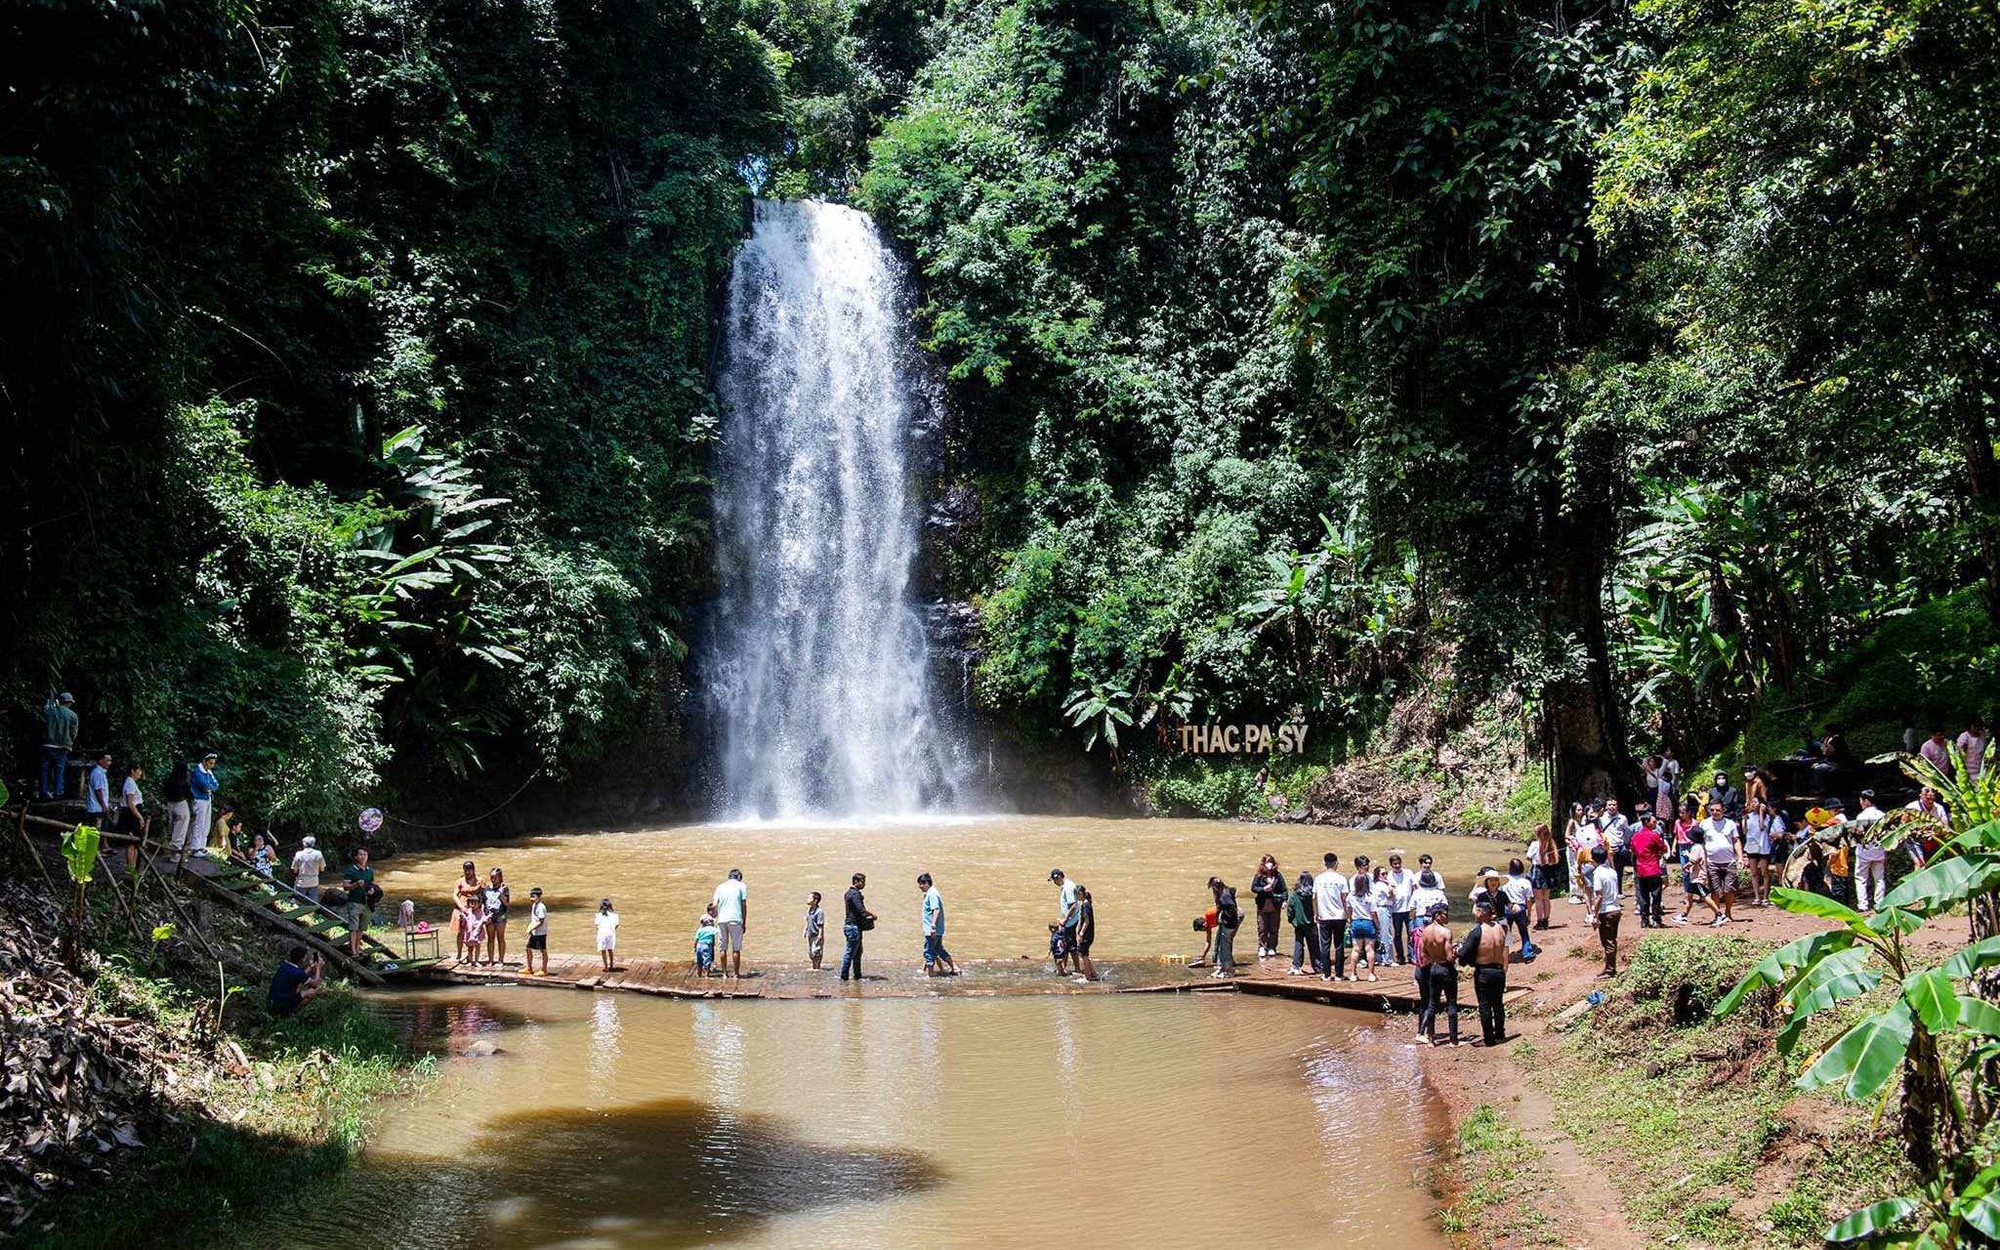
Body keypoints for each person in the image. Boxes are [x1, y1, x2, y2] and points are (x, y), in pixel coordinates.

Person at [1458, 898, 1509, 1046]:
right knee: (1498, 1004)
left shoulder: (1478, 931)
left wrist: (1460, 954)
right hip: (1499, 971)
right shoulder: (1501, 928)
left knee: (1485, 1005)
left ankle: (1489, 1038)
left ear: (1481, 913)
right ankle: (1500, 1033)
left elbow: (1464, 953)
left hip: (1484, 971)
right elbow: (1505, 948)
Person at [1415, 902, 1460, 1046]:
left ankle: (1430, 1039)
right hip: (1446, 968)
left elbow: (1423, 953)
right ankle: (1453, 1040)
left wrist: (1435, 956)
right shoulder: (1446, 932)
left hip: (1433, 968)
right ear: (1437, 916)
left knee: (1432, 1004)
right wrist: (1456, 952)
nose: (1448, 917)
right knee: (1451, 1003)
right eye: (1445, 914)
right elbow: (1449, 957)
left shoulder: (1425, 931)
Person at [1698, 799, 1742, 925]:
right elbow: (1700, 843)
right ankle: (1718, 914)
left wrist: (1740, 857)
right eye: (1712, 810)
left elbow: (1736, 841)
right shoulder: (1704, 824)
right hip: (1711, 862)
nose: (1715, 812)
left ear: (1723, 810)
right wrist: (1701, 860)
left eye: (1717, 810)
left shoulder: (1730, 824)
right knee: (1715, 891)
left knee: (1729, 890)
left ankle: (1728, 912)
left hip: (1729, 861)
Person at [1313, 852, 1350, 981]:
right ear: (1336, 864)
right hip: (1340, 916)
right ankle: (1339, 975)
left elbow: (1314, 897)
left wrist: (1315, 913)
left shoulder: (1318, 879)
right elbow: (1345, 899)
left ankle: (1326, 974)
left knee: (1325, 946)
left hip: (1324, 916)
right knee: (1339, 945)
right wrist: (1348, 915)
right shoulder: (1341, 879)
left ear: (1324, 863)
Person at [1586, 846, 1622, 979]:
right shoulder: (1612, 871)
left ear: (1593, 858)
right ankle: (1608, 967)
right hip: (1616, 909)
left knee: (1608, 942)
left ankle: (1610, 970)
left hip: (1606, 911)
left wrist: (1594, 914)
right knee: (1611, 940)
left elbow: (1599, 896)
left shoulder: (1598, 874)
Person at [1851, 789, 1889, 913]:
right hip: (1879, 850)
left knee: (1861, 878)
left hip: (1864, 851)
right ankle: (1879, 903)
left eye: (1861, 800)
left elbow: (1858, 833)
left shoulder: (1862, 816)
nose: (1861, 803)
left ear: (1866, 801)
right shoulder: (1882, 815)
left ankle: (1863, 905)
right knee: (1879, 878)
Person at [1630, 811, 1668, 928]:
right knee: (1656, 896)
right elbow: (1664, 848)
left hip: (1641, 870)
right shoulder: (1653, 836)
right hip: (1653, 870)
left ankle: (1644, 920)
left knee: (1643, 897)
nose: (1655, 824)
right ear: (1646, 822)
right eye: (1653, 822)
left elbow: (1633, 850)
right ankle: (1656, 919)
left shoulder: (1635, 837)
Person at [39, 692, 78, 800]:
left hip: (47, 744)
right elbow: (73, 732)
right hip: (62, 747)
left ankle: (43, 793)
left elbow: (42, 723)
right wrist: (69, 742)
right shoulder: (72, 715)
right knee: (59, 771)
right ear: (69, 703)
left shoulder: (49, 711)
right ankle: (57, 793)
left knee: (44, 770)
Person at [711, 868, 748, 979]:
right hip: (735, 919)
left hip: (722, 920)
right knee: (736, 948)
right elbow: (744, 905)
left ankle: (724, 973)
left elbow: (714, 905)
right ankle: (736, 974)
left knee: (723, 948)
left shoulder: (720, 887)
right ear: (739, 877)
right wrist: (744, 922)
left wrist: (714, 918)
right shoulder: (742, 886)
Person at [919, 872, 957, 976]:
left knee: (929, 952)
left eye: (921, 884)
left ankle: (930, 976)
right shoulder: (932, 893)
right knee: (938, 950)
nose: (920, 887)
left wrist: (933, 926)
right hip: (937, 929)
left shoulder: (932, 894)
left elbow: (936, 909)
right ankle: (954, 968)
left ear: (926, 883)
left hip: (932, 930)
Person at [267, 947, 324, 1017]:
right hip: (282, 1005)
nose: (307, 959)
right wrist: (318, 968)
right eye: (306, 957)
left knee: (299, 989)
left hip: (272, 1001)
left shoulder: (284, 966)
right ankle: (292, 1013)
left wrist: (309, 967)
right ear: (302, 959)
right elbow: (316, 984)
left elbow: (300, 976)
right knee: (311, 991)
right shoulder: (298, 973)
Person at [1742, 798, 1778, 907]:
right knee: (1754, 873)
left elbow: (1762, 827)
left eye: (1755, 802)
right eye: (1752, 802)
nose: (1753, 804)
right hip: (1752, 846)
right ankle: (1757, 896)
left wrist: (1762, 812)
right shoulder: (1748, 817)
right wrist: (1744, 820)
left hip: (1763, 846)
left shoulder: (1767, 817)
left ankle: (1765, 897)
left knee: (1765, 873)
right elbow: (1744, 831)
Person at [342, 847, 376, 958]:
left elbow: (372, 885)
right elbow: (345, 887)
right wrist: (356, 885)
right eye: (360, 854)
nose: (363, 857)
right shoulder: (350, 870)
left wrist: (372, 890)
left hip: (367, 902)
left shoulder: (370, 871)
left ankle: (357, 947)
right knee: (353, 927)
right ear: (356, 857)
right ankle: (353, 950)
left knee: (362, 928)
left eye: (365, 854)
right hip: (354, 902)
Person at [1383, 851, 1416, 964]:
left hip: (1409, 908)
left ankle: (1411, 956)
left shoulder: (1409, 873)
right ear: (1391, 865)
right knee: (1397, 934)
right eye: (1394, 864)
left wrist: (1415, 905)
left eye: (1398, 863)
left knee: (1411, 933)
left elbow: (1414, 888)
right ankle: (1400, 956)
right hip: (1396, 909)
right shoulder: (1388, 875)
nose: (1397, 866)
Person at [1251, 855, 1286, 959]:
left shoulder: (1278, 876)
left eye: (1270, 862)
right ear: (1263, 864)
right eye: (1267, 862)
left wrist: (1284, 900)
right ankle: (1262, 947)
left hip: (1275, 905)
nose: (1269, 864)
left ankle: (1272, 947)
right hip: (1262, 905)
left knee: (1274, 928)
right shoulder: (1259, 876)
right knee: (1262, 928)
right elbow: (1253, 888)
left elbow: (1284, 889)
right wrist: (1263, 889)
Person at [1527, 824, 1562, 929]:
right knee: (1546, 898)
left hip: (1538, 871)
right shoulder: (1551, 843)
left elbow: (1528, 857)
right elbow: (1555, 859)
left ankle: (1540, 921)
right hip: (1549, 871)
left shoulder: (1534, 844)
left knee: (1538, 899)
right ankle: (1546, 920)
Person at [840, 873, 873, 982]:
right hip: (854, 927)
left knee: (857, 952)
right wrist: (872, 915)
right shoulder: (855, 894)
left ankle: (857, 976)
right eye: (862, 882)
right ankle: (844, 977)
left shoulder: (848, 893)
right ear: (856, 882)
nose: (864, 884)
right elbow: (861, 910)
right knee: (850, 952)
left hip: (851, 926)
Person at [1285, 870, 1319, 976]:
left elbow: (1290, 908)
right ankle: (1318, 966)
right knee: (1314, 945)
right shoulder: (1313, 894)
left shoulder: (1295, 893)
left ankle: (1296, 966)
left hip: (1299, 923)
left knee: (1299, 944)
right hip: (1311, 923)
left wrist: (1291, 919)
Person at [1501, 859, 1536, 961]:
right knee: (1524, 932)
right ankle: (1527, 953)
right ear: (1522, 869)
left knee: (1506, 934)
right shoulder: (1525, 882)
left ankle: (1504, 956)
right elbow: (1529, 900)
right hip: (1520, 908)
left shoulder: (1504, 880)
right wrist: (1529, 915)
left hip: (1506, 908)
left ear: (1510, 868)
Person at [1208, 877, 1242, 979]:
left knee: (1225, 948)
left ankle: (1228, 970)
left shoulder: (1224, 895)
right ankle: (1222, 968)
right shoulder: (1226, 892)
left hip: (1228, 923)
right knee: (1222, 947)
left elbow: (1232, 908)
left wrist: (1225, 918)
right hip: (1227, 922)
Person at [117, 762, 147, 870]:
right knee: (131, 843)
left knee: (134, 843)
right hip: (130, 815)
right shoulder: (129, 783)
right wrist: (139, 816)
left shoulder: (132, 783)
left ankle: (133, 866)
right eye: (138, 770)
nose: (140, 773)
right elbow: (130, 803)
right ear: (133, 771)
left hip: (132, 813)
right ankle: (130, 867)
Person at [1049, 868, 1080, 974]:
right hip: (1070, 919)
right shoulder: (1066, 884)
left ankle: (1077, 968)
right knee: (1066, 944)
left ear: (1058, 878)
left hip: (1070, 921)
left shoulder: (1068, 888)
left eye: (1054, 880)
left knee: (1071, 945)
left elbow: (1073, 906)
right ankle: (1064, 967)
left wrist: (1065, 920)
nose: (1054, 883)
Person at [188, 752, 219, 855]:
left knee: (206, 824)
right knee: (198, 823)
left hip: (207, 799)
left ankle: (201, 846)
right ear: (204, 761)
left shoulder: (209, 772)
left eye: (213, 764)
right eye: (210, 763)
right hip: (199, 799)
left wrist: (211, 787)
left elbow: (216, 784)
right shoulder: (198, 772)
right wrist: (210, 787)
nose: (211, 766)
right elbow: (204, 785)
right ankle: (194, 847)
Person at [451, 860, 481, 962]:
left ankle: (470, 955)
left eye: (469, 870)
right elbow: (455, 895)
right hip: (461, 906)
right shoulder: (460, 881)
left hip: (473, 908)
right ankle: (459, 953)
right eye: (466, 870)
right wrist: (461, 907)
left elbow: (483, 895)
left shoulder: (479, 881)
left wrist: (479, 908)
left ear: (473, 870)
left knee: (471, 932)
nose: (467, 872)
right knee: (460, 932)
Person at [163, 759, 193, 857]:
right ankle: (176, 856)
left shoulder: (168, 780)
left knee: (171, 829)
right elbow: (189, 794)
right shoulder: (183, 782)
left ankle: (169, 851)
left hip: (169, 804)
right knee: (180, 831)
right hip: (181, 804)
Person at [483, 866, 511, 967]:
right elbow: (483, 902)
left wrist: (501, 893)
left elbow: (507, 904)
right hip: (489, 916)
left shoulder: (504, 888)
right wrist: (484, 916)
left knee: (500, 937)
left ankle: (501, 960)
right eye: (491, 877)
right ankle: (490, 960)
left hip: (500, 916)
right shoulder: (486, 888)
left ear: (500, 877)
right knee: (490, 938)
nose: (493, 879)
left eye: (495, 877)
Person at [1561, 802, 1588, 902]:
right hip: (1573, 850)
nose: (1580, 812)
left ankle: (1582, 893)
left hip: (1583, 850)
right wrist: (1572, 843)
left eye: (1581, 810)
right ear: (1573, 811)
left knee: (1582, 870)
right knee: (1573, 870)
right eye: (1578, 810)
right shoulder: (1572, 822)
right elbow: (1566, 836)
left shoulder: (1584, 821)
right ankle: (1575, 894)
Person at [1072, 884, 1098, 982]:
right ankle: (1093, 973)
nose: (1077, 896)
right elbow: (1082, 920)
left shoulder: (1086, 905)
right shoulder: (1084, 903)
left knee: (1083, 955)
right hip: (1088, 934)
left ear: (1082, 893)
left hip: (1087, 934)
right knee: (1084, 954)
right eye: (1076, 894)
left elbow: (1087, 921)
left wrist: (1081, 933)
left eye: (1078, 894)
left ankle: (1088, 976)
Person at [292, 835, 327, 904]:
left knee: (299, 901)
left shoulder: (299, 854)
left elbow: (294, 869)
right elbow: (322, 868)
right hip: (314, 881)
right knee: (313, 901)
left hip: (302, 881)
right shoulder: (318, 854)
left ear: (304, 844)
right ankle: (313, 914)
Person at [525, 886, 550, 976]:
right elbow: (534, 919)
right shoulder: (534, 905)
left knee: (543, 950)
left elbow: (541, 921)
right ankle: (529, 968)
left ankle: (544, 969)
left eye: (534, 896)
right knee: (527, 948)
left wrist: (531, 928)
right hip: (534, 932)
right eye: (531, 896)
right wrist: (530, 928)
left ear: (539, 897)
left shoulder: (541, 907)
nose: (531, 898)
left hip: (541, 932)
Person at [83, 752, 112, 822]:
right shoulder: (98, 773)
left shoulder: (100, 772)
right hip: (97, 809)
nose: (110, 763)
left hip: (97, 808)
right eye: (107, 760)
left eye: (110, 760)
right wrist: (105, 807)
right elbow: (98, 791)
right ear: (101, 761)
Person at [595, 897, 619, 972]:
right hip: (611, 933)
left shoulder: (598, 915)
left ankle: (606, 967)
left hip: (602, 933)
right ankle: (611, 965)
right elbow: (617, 924)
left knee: (603, 950)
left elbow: (596, 925)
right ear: (610, 906)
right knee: (610, 950)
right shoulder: (614, 915)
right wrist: (613, 929)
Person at [804, 892, 826, 970]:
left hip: (817, 935)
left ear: (815, 900)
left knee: (816, 952)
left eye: (810, 898)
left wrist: (820, 935)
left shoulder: (819, 911)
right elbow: (807, 921)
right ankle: (814, 967)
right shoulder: (809, 910)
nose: (807, 899)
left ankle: (817, 968)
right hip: (810, 935)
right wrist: (805, 930)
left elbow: (820, 924)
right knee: (811, 953)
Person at [695, 907, 719, 976]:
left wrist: (694, 947)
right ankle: (707, 975)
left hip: (699, 945)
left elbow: (696, 939)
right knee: (707, 961)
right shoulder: (711, 929)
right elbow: (719, 931)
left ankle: (699, 974)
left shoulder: (700, 929)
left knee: (699, 961)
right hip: (707, 945)